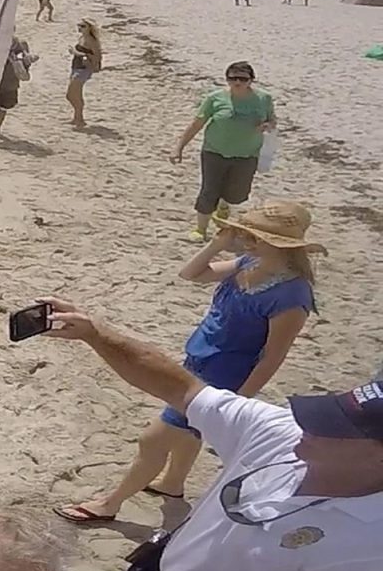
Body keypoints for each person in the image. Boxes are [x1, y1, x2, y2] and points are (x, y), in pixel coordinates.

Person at [44, 298, 383, 571]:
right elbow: (181, 386)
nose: (306, 425)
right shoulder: (281, 432)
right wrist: (95, 334)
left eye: (330, 428)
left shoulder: (370, 543)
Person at [54, 200, 319, 526]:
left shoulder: (292, 295)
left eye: (255, 235)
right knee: (189, 433)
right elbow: (191, 274)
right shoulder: (248, 263)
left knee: (152, 440)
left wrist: (237, 402)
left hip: (225, 376)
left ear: (279, 244)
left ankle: (110, 504)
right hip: (200, 359)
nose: (246, 238)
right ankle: (172, 484)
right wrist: (217, 243)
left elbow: (273, 356)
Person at [170, 61, 276, 241]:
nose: (237, 82)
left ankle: (224, 203)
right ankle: (200, 229)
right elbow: (197, 124)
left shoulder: (264, 99)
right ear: (226, 79)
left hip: (247, 155)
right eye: (232, 78)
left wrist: (268, 125)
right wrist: (179, 148)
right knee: (208, 191)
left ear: (251, 80)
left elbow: (273, 121)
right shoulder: (215, 98)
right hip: (214, 151)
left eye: (242, 79)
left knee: (237, 195)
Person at [0, 38, 39, 138]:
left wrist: (20, 59)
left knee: (2, 108)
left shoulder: (19, 46)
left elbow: (25, 63)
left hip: (7, 83)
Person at [65, 20, 102, 128]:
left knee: (72, 94)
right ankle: (78, 118)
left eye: (83, 26)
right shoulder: (81, 38)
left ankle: (79, 119)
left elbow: (97, 56)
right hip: (76, 66)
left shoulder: (92, 40)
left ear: (89, 28)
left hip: (84, 69)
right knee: (74, 95)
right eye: (79, 25)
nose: (80, 28)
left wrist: (76, 53)